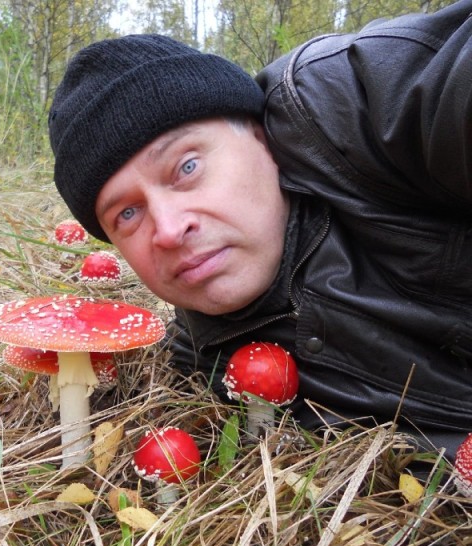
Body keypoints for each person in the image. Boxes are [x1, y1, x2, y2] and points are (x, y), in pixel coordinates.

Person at [47, 1, 472, 460]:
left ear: (259, 134)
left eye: (187, 166)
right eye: (127, 215)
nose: (168, 230)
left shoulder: (355, 102)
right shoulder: (202, 355)